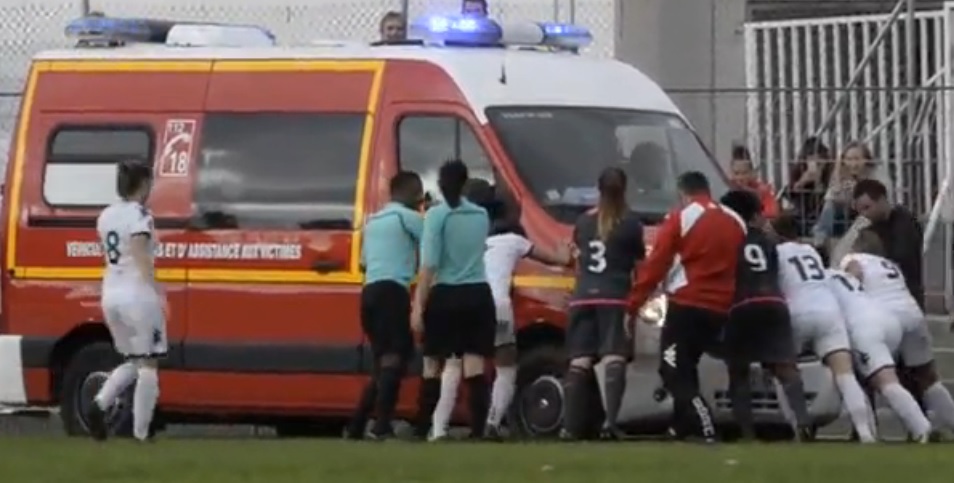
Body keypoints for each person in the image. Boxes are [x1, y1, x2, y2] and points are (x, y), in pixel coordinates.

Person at [437, 179, 571, 440]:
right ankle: (493, 422)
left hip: (466, 305)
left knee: (456, 365)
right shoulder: (512, 241)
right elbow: (559, 260)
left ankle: (439, 428)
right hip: (497, 305)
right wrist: (565, 249)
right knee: (506, 366)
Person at [626, 171, 744, 442]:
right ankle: (681, 426)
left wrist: (633, 304)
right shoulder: (734, 220)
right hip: (721, 308)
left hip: (688, 304)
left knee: (671, 367)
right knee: (687, 364)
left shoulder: (682, 217)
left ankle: (704, 424)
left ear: (683, 193)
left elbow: (657, 263)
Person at [718, 190, 813, 441]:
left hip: (742, 304)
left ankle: (747, 432)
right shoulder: (768, 241)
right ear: (753, 217)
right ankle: (803, 422)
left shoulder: (729, 238)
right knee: (785, 367)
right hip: (773, 302)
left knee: (739, 370)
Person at [411, 160, 495, 441]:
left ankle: (423, 427)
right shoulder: (481, 214)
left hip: (446, 293)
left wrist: (418, 306)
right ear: (465, 182)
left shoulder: (436, 216)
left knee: (433, 363)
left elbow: (429, 265)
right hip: (478, 292)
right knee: (474, 363)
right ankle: (478, 430)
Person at [772, 214, 876, 443]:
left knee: (784, 371)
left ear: (776, 233)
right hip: (828, 310)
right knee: (845, 374)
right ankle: (865, 432)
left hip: (796, 311)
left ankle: (798, 427)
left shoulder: (776, 253)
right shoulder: (810, 251)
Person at [841, 228, 954, 434]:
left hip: (885, 316)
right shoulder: (890, 265)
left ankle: (877, 430)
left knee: (874, 375)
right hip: (913, 314)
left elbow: (853, 275)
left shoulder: (854, 259)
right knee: (927, 378)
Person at [561, 167, 645, 441]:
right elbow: (639, 263)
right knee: (614, 356)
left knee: (580, 359)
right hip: (614, 295)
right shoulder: (630, 223)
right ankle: (610, 423)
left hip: (583, 295)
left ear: (598, 190)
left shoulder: (583, 222)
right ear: (625, 189)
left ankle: (569, 427)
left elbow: (574, 257)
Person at [86, 159, 165, 442]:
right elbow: (140, 252)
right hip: (137, 295)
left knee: (133, 359)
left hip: (111, 294)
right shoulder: (140, 215)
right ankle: (141, 433)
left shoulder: (106, 215)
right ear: (143, 184)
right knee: (149, 363)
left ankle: (100, 403)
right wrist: (156, 290)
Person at [344, 171, 424, 440]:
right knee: (393, 359)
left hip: (370, 292)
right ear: (411, 194)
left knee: (383, 362)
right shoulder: (408, 218)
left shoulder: (373, 222)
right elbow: (433, 245)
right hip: (393, 291)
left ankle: (357, 425)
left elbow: (364, 263)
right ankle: (381, 426)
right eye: (419, 194)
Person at [826, 263, 932, 442]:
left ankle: (920, 427)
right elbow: (857, 272)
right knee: (867, 378)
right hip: (886, 318)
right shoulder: (841, 275)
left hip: (863, 326)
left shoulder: (819, 282)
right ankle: (868, 431)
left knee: (885, 382)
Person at [786, 137, 835, 238]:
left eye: (820, 159)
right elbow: (790, 195)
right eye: (811, 159)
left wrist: (819, 181)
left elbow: (827, 198)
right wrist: (802, 181)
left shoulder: (831, 171)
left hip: (823, 216)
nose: (816, 163)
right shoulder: (798, 171)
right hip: (803, 214)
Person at [728, 145, 779, 219]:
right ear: (731, 173)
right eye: (736, 173)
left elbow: (771, 213)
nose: (740, 178)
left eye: (744, 173)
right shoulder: (726, 190)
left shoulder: (762, 191)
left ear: (751, 173)